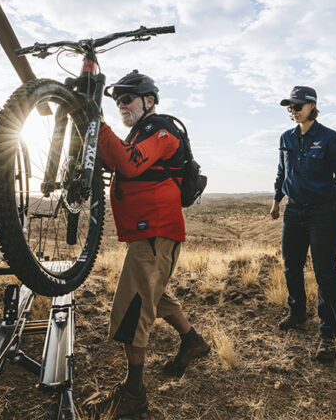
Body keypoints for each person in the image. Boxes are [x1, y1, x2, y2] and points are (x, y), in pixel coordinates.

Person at [86, 70, 210, 418]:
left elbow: (126, 162)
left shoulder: (161, 131)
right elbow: (119, 161)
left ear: (149, 100)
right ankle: (193, 342)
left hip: (156, 231)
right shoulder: (140, 133)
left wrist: (97, 122)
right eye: (117, 101)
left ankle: (134, 395)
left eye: (127, 99)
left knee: (131, 311)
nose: (121, 105)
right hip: (149, 233)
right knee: (154, 295)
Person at [270, 86, 336, 363]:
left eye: (297, 106)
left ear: (312, 106)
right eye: (289, 107)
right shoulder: (286, 137)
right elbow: (282, 171)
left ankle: (328, 334)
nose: (292, 111)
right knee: (291, 266)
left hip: (324, 214)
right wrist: (276, 200)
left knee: (325, 273)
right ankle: (297, 313)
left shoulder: (329, 138)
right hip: (294, 212)